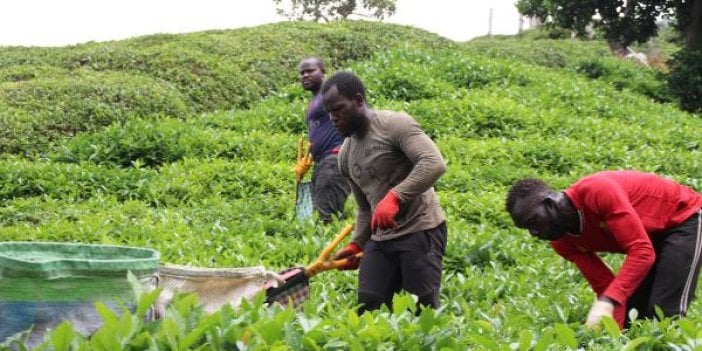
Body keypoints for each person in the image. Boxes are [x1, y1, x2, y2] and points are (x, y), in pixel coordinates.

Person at [505, 170, 702, 329]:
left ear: (550, 203)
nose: (534, 232)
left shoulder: (597, 191)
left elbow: (642, 252)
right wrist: (612, 333)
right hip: (650, 236)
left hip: (685, 218)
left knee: (665, 312)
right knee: (633, 316)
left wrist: (608, 302)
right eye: (527, 228)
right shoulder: (561, 242)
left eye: (533, 221)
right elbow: (604, 285)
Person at [322, 71, 448, 314]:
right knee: (368, 304)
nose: (333, 118)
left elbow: (433, 162)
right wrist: (357, 244)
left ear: (359, 100)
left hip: (420, 230)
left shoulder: (394, 125)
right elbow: (365, 208)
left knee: (420, 309)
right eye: (329, 113)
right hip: (380, 240)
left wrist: (395, 196)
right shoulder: (346, 156)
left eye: (339, 109)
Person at [293, 57, 350, 224]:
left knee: (324, 218)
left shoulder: (332, 92)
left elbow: (358, 115)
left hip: (335, 159)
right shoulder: (315, 100)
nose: (305, 75)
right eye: (302, 73)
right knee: (322, 214)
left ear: (324, 72)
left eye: (310, 71)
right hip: (323, 163)